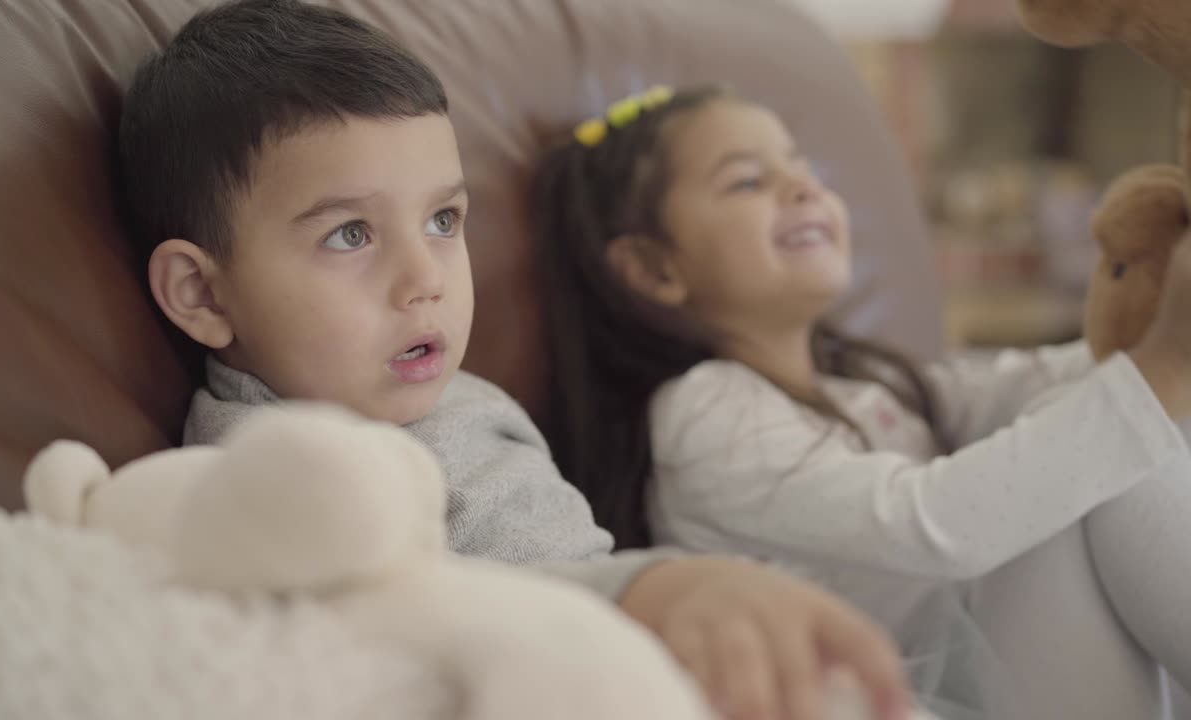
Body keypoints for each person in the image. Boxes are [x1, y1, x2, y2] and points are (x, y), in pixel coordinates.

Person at [115, 5, 912, 719]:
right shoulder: (274, 480)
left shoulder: (445, 399)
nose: (425, 278)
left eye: (443, 219)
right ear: (202, 295)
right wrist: (650, 591)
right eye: (350, 234)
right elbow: (431, 613)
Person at [530, 83, 1191, 719]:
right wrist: (1163, 362)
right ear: (653, 269)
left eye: (802, 165)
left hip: (1034, 680)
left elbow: (1030, 382)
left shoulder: (865, 384)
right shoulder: (705, 413)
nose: (805, 186)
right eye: (747, 182)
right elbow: (930, 524)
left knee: (1103, 424)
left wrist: (1155, 319)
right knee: (1103, 451)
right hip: (911, 698)